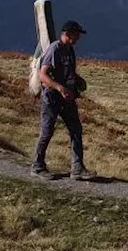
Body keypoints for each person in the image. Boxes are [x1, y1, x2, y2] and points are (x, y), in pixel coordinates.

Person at [31, 20, 95, 180]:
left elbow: (68, 71)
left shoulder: (70, 50)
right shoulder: (55, 49)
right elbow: (43, 75)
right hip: (52, 97)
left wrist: (78, 81)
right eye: (77, 34)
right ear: (68, 33)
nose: (78, 38)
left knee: (76, 129)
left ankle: (77, 168)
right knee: (47, 131)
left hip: (67, 98)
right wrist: (60, 88)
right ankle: (37, 167)